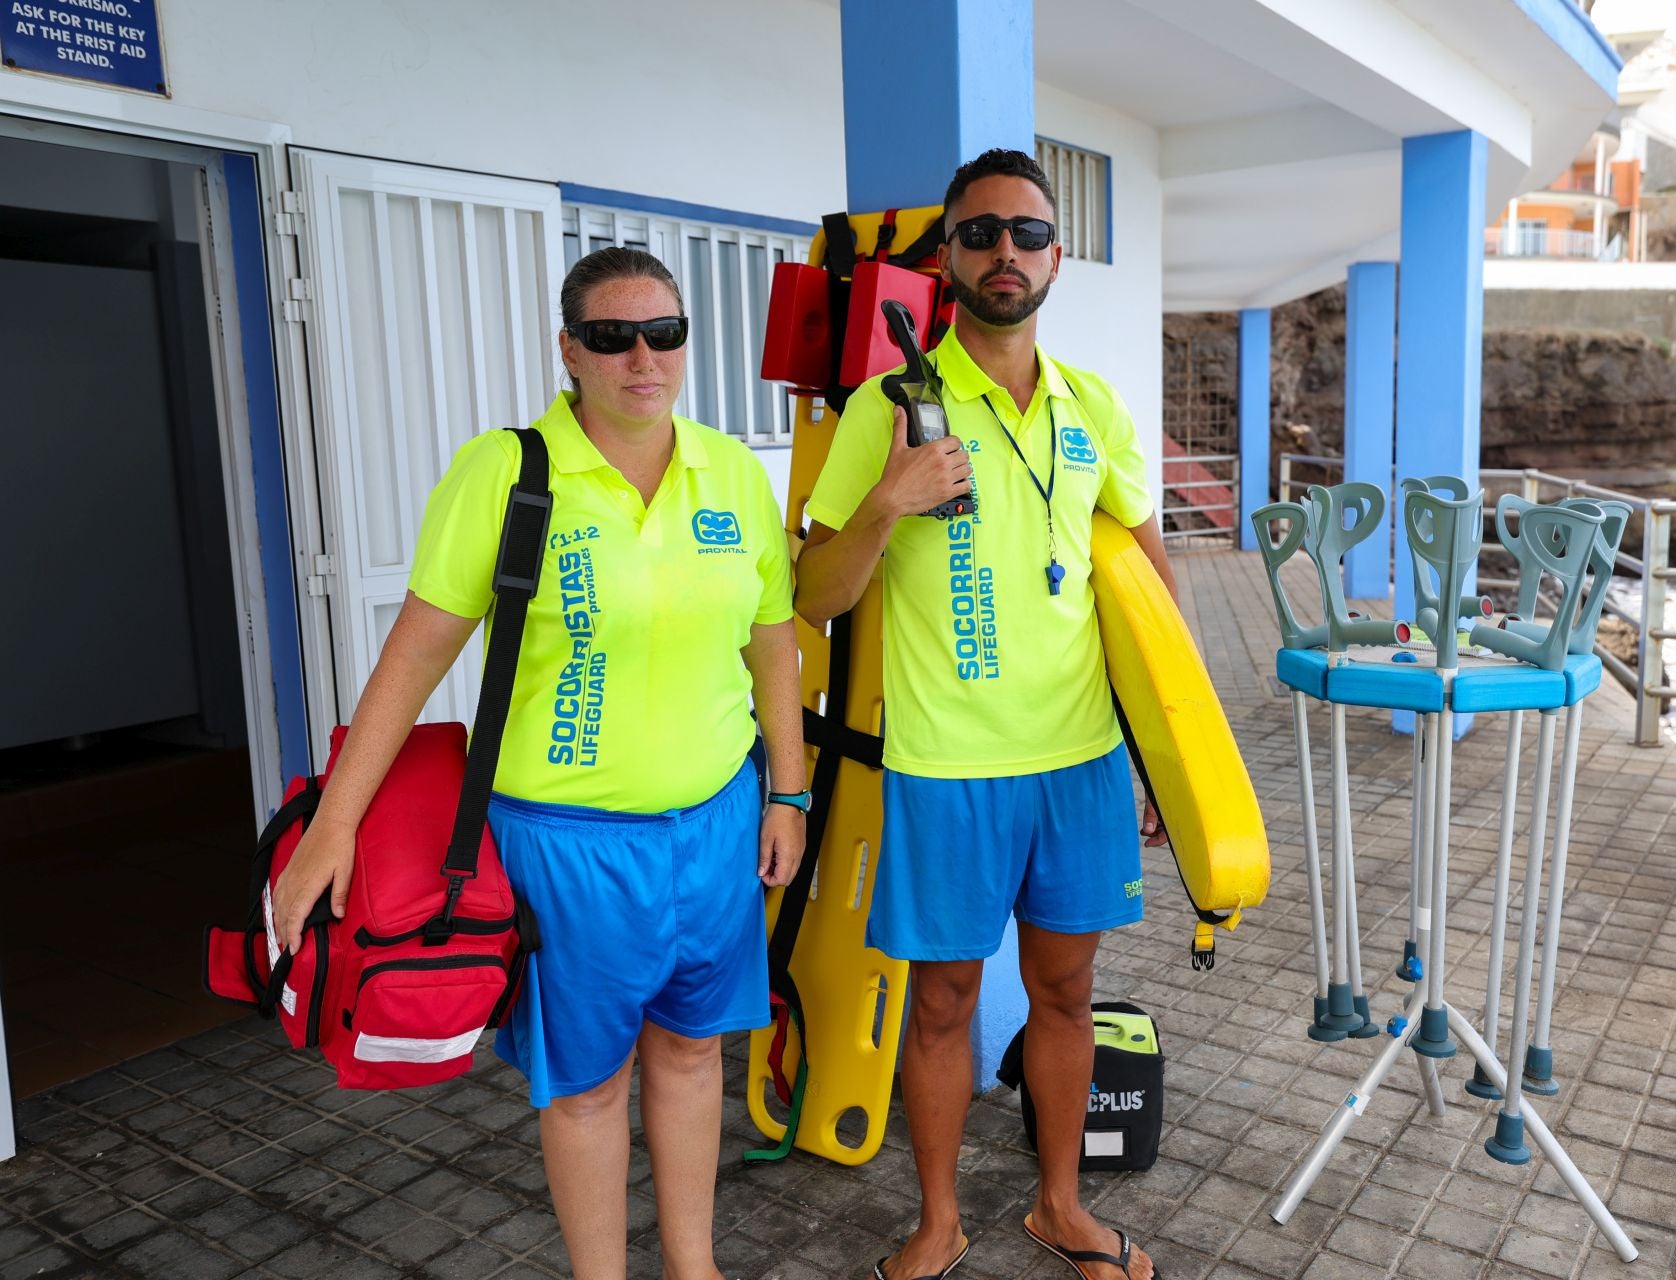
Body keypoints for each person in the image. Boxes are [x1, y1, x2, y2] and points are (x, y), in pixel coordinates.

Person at [270, 246, 806, 1280]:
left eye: (664, 332)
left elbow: (773, 640)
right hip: (565, 841)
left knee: (695, 1053)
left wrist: (785, 789)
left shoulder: (732, 471)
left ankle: (696, 1265)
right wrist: (333, 823)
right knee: (589, 1079)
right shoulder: (508, 470)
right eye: (611, 335)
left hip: (713, 825)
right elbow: (415, 655)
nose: (641, 356)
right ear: (570, 349)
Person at [795, 149, 1172, 1280]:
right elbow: (814, 593)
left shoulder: (1093, 406)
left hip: (1081, 760)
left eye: (1026, 231)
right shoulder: (888, 406)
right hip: (946, 764)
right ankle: (938, 1218)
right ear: (948, 257)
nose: (1004, 250)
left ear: (1056, 256)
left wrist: (1166, 754)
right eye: (980, 233)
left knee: (1066, 992)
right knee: (943, 1003)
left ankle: (1060, 1204)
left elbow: (1149, 583)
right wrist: (888, 499)